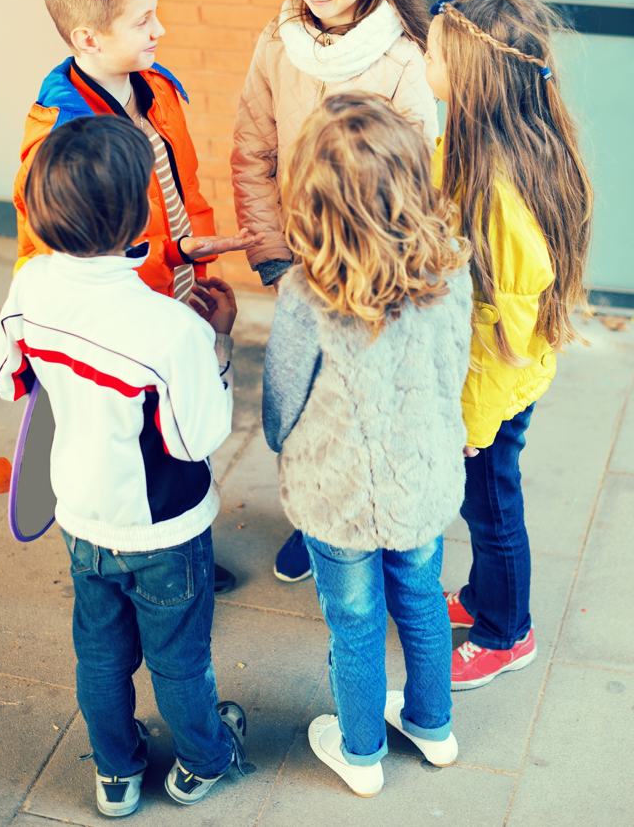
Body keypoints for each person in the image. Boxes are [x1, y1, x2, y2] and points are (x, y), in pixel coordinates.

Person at [0, 116, 248, 817]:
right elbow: (199, 437)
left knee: (100, 654)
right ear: (140, 215)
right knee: (178, 658)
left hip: (79, 518)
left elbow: (4, 377)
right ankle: (202, 759)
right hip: (165, 532)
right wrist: (216, 343)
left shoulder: (31, 284)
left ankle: (116, 773)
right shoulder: (172, 329)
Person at [14, 0, 262, 593]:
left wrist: (194, 263)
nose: (162, 28)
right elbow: (56, 255)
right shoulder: (59, 139)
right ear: (89, 39)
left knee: (178, 448)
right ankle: (159, 576)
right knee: (141, 457)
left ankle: (181, 557)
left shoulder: (157, 89)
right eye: (142, 20)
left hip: (177, 301)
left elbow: (182, 194)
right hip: (128, 334)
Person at [262, 93, 472, 796]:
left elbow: (281, 401)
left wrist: (277, 443)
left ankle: (361, 753)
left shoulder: (304, 293)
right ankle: (433, 726)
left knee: (353, 620)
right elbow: (455, 365)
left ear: (311, 201)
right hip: (421, 478)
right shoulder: (449, 274)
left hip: (337, 494)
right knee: (420, 597)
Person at [231, 0, 438, 583]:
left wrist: (390, 272)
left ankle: (385, 525)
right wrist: (269, 255)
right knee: (308, 404)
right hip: (298, 266)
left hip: (376, 272)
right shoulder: (277, 41)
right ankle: (316, 521)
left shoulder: (403, 59)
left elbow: (423, 187)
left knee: (370, 405)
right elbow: (252, 148)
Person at [424, 0, 593, 689]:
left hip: (491, 393)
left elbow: (507, 337)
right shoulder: (481, 146)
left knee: (492, 510)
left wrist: (474, 420)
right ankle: (488, 599)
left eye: (432, 52)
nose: (423, 59)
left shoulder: (500, 195)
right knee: (485, 506)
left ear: (469, 77)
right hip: (485, 383)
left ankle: (506, 632)